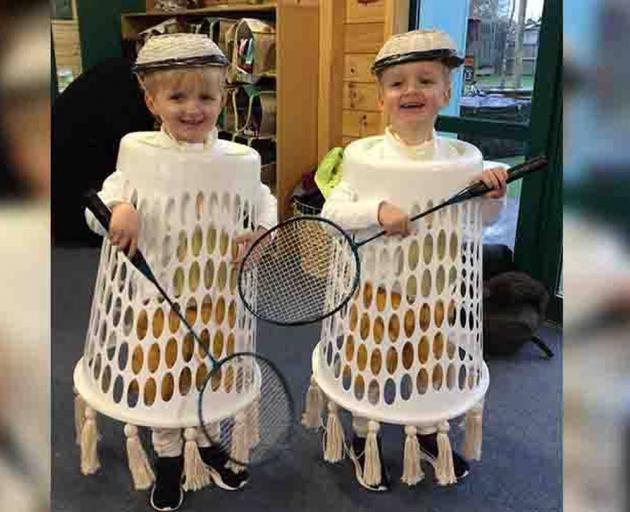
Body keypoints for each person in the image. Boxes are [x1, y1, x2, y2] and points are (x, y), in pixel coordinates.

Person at [80, 34, 276, 511]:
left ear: (222, 99)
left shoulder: (237, 160)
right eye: (178, 96)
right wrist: (119, 209)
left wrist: (263, 231)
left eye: (206, 96)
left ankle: (207, 444)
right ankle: (169, 463)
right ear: (152, 101)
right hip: (157, 296)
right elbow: (99, 207)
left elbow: (263, 203)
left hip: (219, 297)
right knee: (164, 383)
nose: (194, 108)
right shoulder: (139, 152)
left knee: (212, 379)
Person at [309, 29, 508, 492]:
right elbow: (332, 211)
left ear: (445, 92)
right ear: (381, 99)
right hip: (373, 291)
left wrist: (492, 193)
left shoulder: (460, 161)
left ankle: (422, 434)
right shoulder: (365, 157)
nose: (411, 91)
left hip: (432, 291)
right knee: (369, 370)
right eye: (397, 83)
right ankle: (364, 437)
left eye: (425, 80)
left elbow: (481, 222)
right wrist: (376, 211)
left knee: (426, 368)